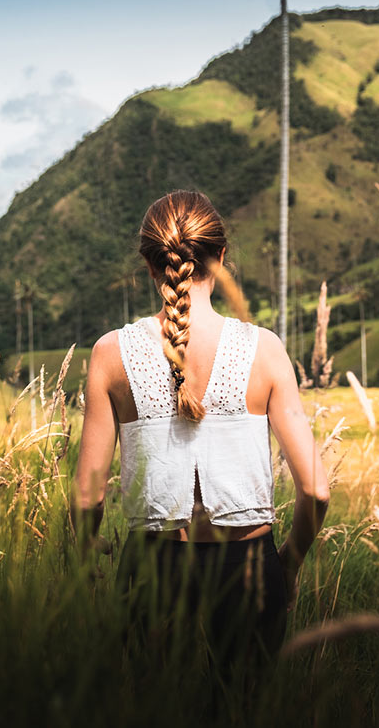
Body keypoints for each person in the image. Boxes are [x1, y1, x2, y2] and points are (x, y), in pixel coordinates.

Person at [72, 189, 330, 701]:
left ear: (150, 266)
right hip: (249, 567)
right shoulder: (265, 349)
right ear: (222, 258)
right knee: (238, 709)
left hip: (152, 567)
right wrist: (290, 562)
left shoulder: (108, 354)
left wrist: (87, 547)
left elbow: (88, 497)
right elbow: (317, 491)